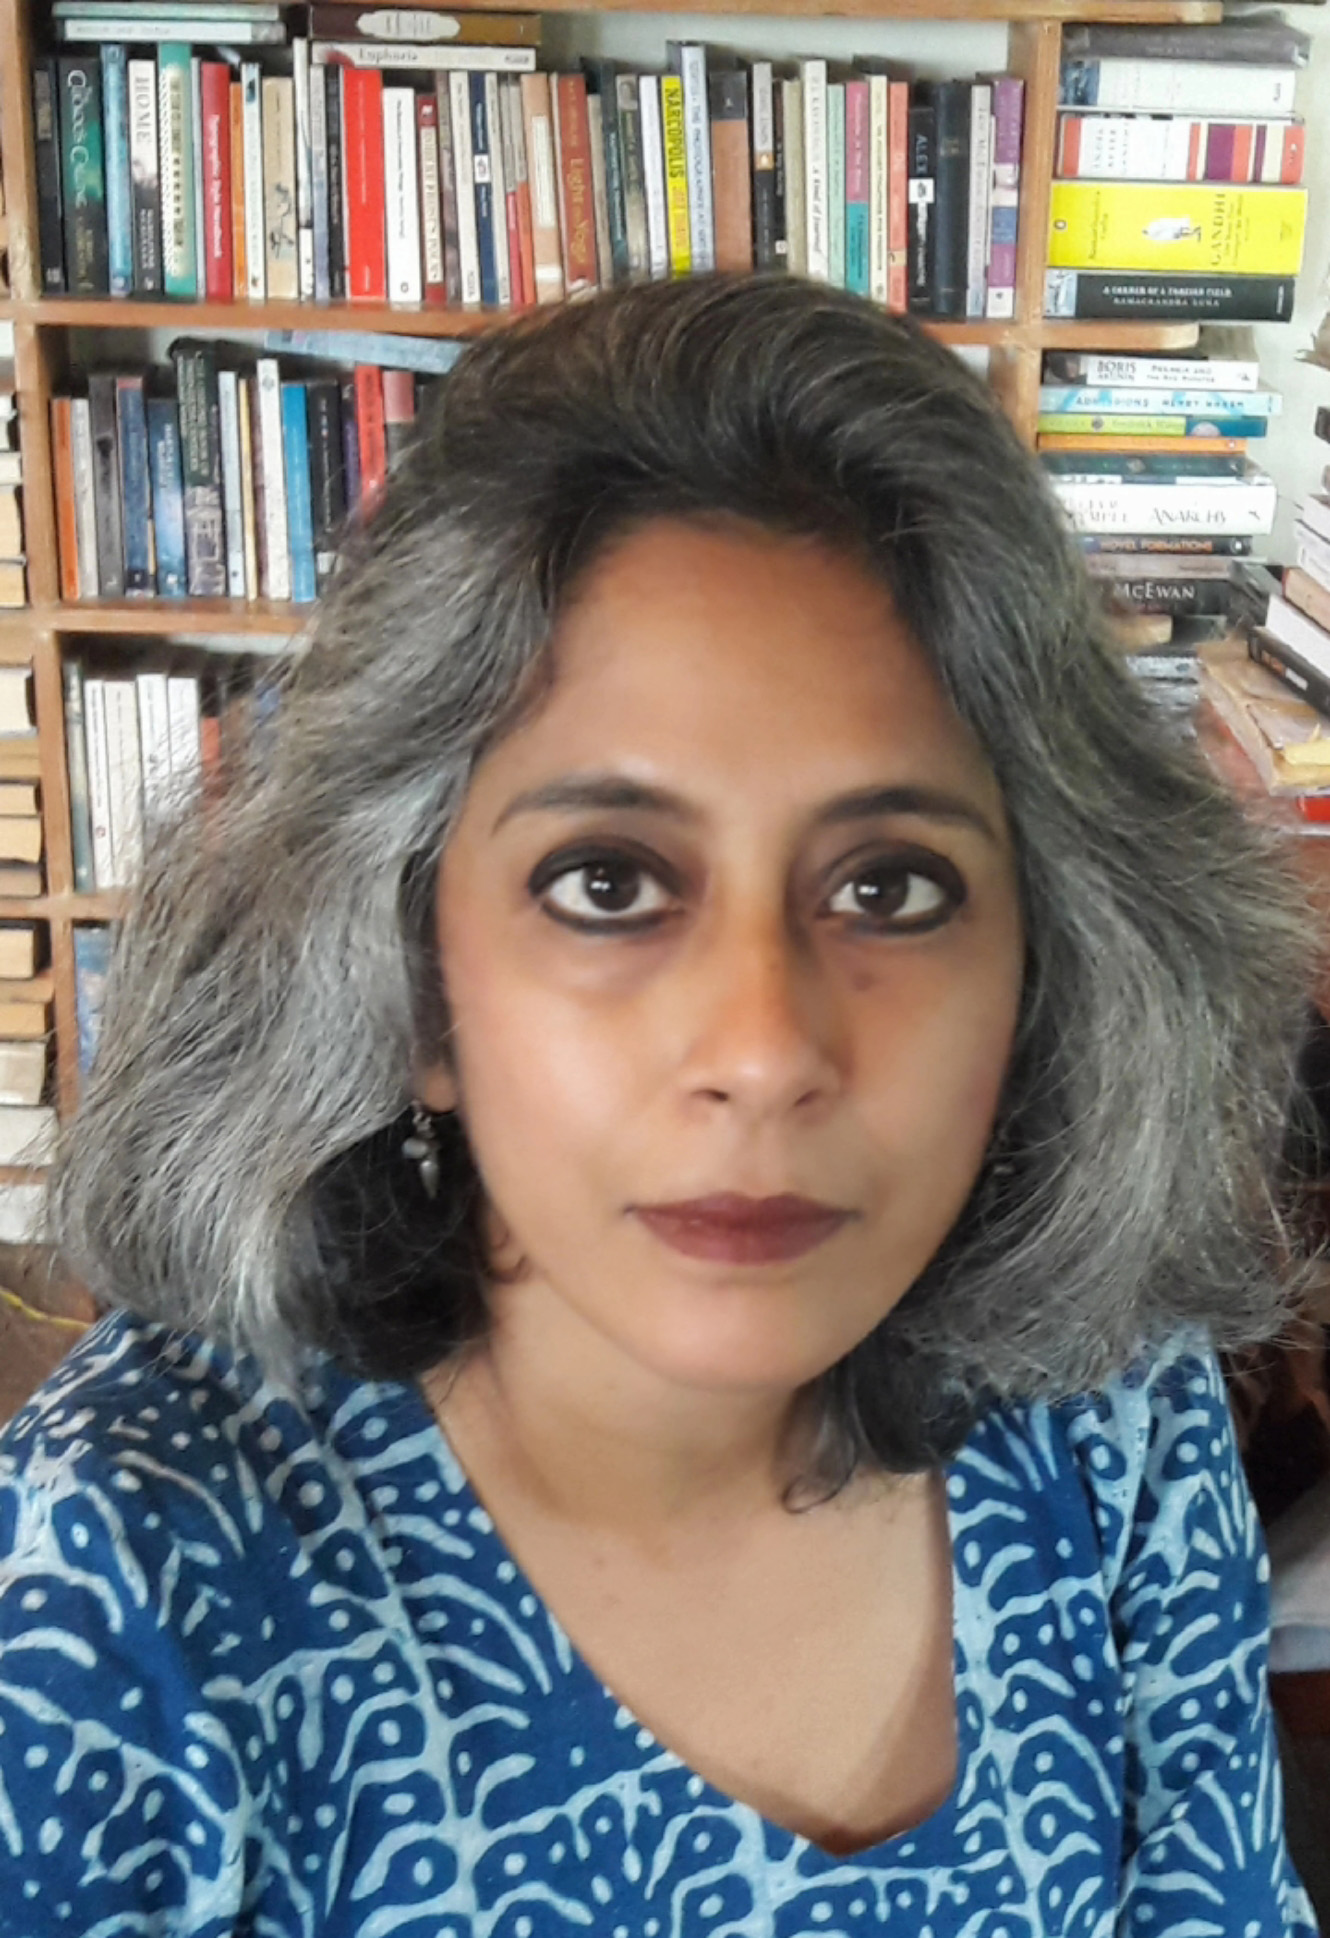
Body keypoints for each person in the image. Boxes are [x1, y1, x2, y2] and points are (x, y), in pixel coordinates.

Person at [0, 276, 1319, 1936]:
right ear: (411, 980)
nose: (760, 1048)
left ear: (1045, 972)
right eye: (607, 881)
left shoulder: (1111, 1411)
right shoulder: (118, 1572)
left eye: (891, 887)